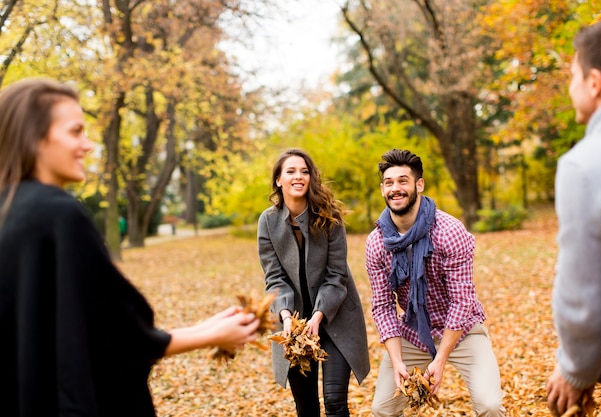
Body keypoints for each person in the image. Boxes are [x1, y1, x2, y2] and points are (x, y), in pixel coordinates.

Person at [0, 78, 260, 417]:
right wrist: (212, 335)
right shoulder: (58, 214)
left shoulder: (10, 213)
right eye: (76, 131)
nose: (88, 145)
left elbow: (73, 329)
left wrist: (209, 328)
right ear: (35, 137)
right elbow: (121, 338)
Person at [365, 149, 505, 416]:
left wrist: (439, 360)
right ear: (383, 189)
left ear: (419, 185)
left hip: (462, 330)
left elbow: (462, 301)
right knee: (381, 410)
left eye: (403, 181)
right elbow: (383, 307)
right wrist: (396, 362)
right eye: (390, 182)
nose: (396, 188)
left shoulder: (449, 231)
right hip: (414, 331)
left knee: (490, 405)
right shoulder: (376, 243)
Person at [546, 15, 601, 417]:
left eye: (573, 74)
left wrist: (576, 372)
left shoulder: (587, 165)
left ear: (595, 82)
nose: (570, 84)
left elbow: (582, 299)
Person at [257, 148, 370, 417]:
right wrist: (285, 317)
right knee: (306, 407)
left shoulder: (330, 217)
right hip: (293, 324)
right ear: (278, 180)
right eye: (291, 171)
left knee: (335, 402)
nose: (299, 176)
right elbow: (274, 277)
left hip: (335, 316)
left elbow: (336, 276)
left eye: (304, 171)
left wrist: (318, 316)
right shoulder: (268, 222)